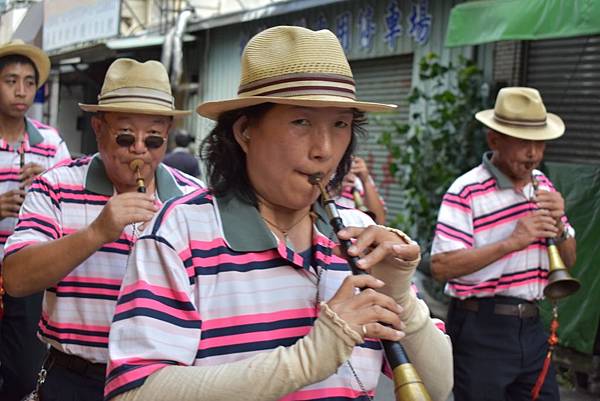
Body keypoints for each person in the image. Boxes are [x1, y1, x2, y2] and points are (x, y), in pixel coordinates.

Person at [105, 26, 452, 401]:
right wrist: (310, 357)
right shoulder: (180, 233)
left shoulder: (359, 233)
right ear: (244, 131)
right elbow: (135, 392)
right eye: (301, 122)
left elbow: (441, 384)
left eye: (340, 124)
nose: (324, 150)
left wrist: (400, 296)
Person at [2, 58, 204, 401]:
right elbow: (17, 279)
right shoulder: (56, 185)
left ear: (168, 133)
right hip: (74, 378)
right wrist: (97, 232)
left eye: (153, 140)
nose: (139, 149)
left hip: (164, 383)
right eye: (125, 137)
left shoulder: (195, 199)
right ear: (98, 128)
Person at [430, 87, 576, 401]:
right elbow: (441, 267)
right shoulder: (466, 191)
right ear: (494, 140)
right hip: (482, 327)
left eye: (540, 143)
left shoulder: (543, 185)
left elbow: (569, 261)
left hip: (532, 326)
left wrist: (561, 226)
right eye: (524, 142)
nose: (534, 153)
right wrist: (511, 242)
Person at [0, 40, 71, 401]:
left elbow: (71, 204)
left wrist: (49, 180)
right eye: (11, 80)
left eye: (29, 82)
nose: (21, 90)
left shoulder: (51, 143)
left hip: (26, 276)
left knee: (23, 373)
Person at [336, 155, 386, 224]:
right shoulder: (325, 174)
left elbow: (379, 221)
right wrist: (335, 187)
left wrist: (365, 181)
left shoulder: (360, 177)